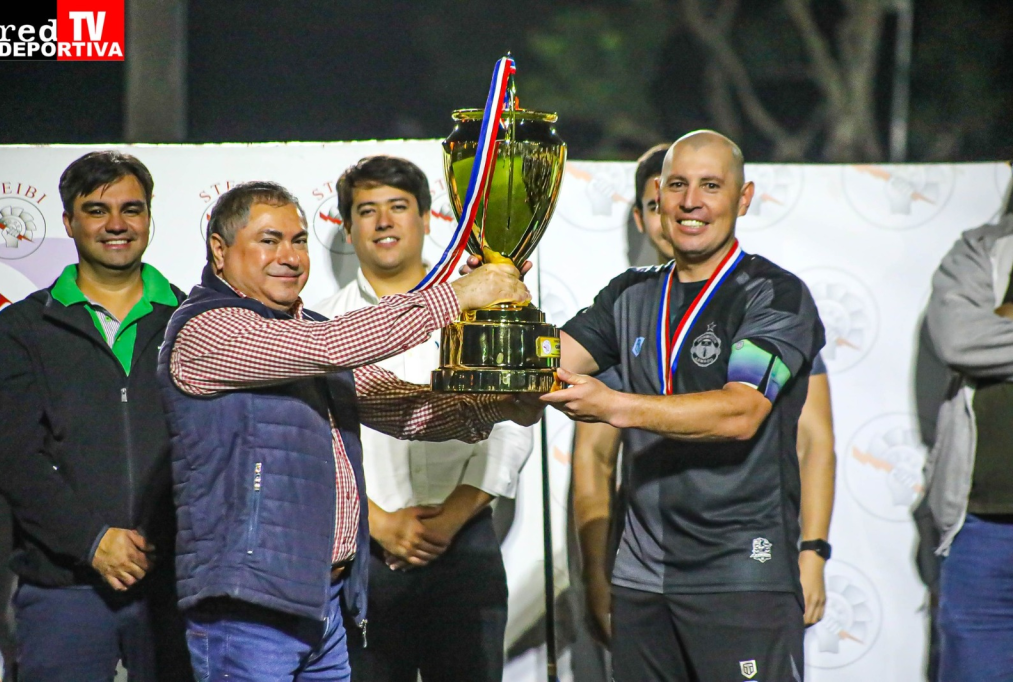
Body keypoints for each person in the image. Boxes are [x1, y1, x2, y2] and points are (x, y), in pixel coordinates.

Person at [158, 180, 541, 681]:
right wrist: (459, 296)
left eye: (298, 240)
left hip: (327, 604)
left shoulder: (307, 329)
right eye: (269, 240)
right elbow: (328, 346)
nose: (289, 256)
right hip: (250, 608)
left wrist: (498, 405)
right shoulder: (208, 329)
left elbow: (402, 408)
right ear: (219, 250)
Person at [541, 130, 825, 682]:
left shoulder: (773, 293)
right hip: (642, 579)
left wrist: (615, 405)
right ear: (658, 196)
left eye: (710, 186)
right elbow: (547, 364)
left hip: (740, 574)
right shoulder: (629, 294)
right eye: (677, 185)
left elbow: (740, 413)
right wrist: (495, 303)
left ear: (743, 198)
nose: (691, 201)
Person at [314, 155, 534, 681]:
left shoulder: (477, 311)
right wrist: (379, 523)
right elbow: (318, 440)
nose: (383, 221)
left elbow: (510, 418)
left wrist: (455, 516)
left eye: (398, 206)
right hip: (366, 550)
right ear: (348, 228)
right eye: (367, 210)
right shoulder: (324, 324)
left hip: (467, 544)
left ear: (427, 218)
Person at [0, 151, 191, 681]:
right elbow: (13, 457)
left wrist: (167, 542)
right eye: (97, 210)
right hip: (64, 591)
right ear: (68, 222)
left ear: (149, 216)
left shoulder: (192, 320)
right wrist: (93, 540)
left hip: (176, 586)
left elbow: (213, 449)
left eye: (131, 209)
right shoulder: (22, 328)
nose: (116, 224)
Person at [924, 211, 1013, 682]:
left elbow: (982, 339)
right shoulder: (980, 248)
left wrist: (1001, 322)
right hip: (982, 526)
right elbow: (960, 339)